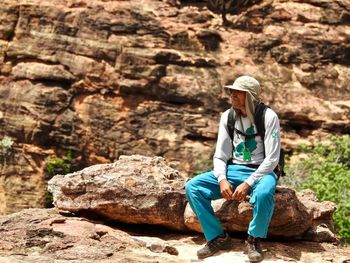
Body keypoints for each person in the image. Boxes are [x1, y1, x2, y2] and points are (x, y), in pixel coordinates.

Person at [185, 75, 281, 262]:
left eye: (238, 92)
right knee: (193, 187)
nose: (232, 95)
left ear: (250, 96)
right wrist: (222, 179)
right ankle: (217, 237)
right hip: (234, 168)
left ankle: (253, 239)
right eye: (232, 91)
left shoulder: (269, 117)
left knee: (263, 194)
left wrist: (248, 183)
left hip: (262, 171)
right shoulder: (228, 116)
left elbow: (272, 158)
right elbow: (220, 155)